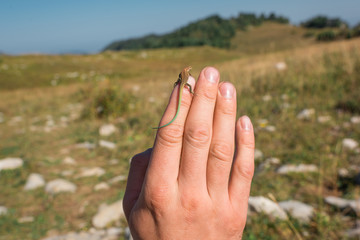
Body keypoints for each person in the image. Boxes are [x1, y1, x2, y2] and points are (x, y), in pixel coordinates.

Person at [123, 66, 255, 239]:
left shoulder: (183, 77)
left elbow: (181, 79)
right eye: (189, 70)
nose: (189, 70)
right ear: (187, 71)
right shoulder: (186, 77)